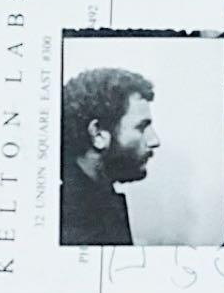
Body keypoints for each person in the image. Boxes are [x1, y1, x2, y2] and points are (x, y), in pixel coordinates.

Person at [60, 67, 161, 245]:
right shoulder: (71, 217)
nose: (154, 141)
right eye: (141, 127)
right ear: (98, 134)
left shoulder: (99, 200)